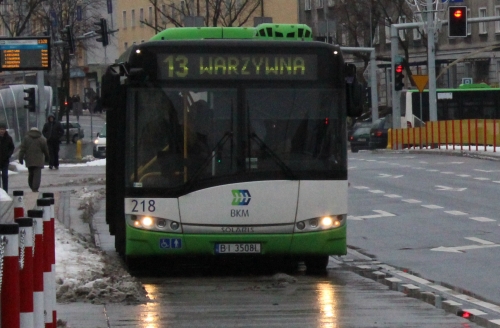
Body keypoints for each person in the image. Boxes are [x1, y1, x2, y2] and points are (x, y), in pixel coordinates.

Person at [18, 127, 50, 192]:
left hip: (29, 159)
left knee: (31, 173)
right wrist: (47, 157)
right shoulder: (41, 139)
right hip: (38, 160)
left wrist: (20, 158)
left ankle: (31, 185)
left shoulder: (26, 139)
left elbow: (22, 149)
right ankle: (35, 188)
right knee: (37, 175)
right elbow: (45, 150)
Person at [0, 122, 14, 193]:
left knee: (5, 176)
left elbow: (12, 147)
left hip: (5, 160)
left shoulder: (8, 138)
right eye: (1, 129)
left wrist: (8, 154)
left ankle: (5, 191)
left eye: (3, 129)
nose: (2, 131)